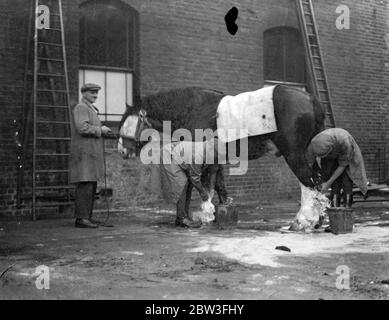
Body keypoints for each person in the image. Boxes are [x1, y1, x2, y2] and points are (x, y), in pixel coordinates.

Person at [150, 137, 222, 228]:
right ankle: (182, 218)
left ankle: (184, 216)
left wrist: (211, 191)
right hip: (169, 155)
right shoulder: (198, 154)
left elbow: (213, 173)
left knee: (189, 185)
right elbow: (195, 178)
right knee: (182, 183)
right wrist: (203, 193)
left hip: (180, 158)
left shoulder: (215, 156)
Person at [69, 83, 112, 228]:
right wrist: (101, 130)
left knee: (91, 184)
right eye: (92, 93)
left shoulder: (90, 109)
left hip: (90, 154)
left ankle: (87, 217)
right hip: (84, 154)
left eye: (96, 93)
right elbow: (82, 128)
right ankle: (81, 219)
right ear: (84, 93)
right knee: (85, 184)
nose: (95, 95)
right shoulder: (81, 107)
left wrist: (104, 131)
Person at [306, 128, 368, 207]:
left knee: (347, 181)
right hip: (333, 152)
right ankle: (334, 209)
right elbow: (309, 163)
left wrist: (327, 184)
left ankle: (347, 210)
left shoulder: (346, 142)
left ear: (331, 149)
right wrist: (309, 185)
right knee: (335, 184)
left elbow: (342, 166)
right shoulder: (314, 143)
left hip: (346, 152)